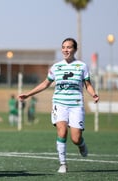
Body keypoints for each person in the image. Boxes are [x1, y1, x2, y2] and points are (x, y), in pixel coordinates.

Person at [18, 38, 99, 173]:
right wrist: (29, 94)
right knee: (62, 132)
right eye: (63, 47)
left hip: (76, 105)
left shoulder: (82, 66)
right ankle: (63, 164)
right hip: (59, 103)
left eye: (69, 47)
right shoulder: (56, 67)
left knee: (75, 138)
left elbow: (88, 85)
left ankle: (81, 144)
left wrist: (94, 94)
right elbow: (45, 83)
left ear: (75, 49)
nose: (65, 50)